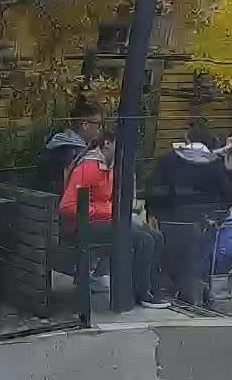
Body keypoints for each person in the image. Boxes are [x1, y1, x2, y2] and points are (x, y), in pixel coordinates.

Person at [62, 130, 170, 307]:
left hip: (102, 221)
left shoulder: (108, 167)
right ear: (107, 144)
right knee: (143, 239)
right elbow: (67, 206)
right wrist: (106, 210)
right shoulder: (89, 167)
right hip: (81, 225)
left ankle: (152, 289)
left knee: (155, 235)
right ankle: (141, 292)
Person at [148, 127, 232, 304]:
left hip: (170, 220)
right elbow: (229, 194)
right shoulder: (216, 164)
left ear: (187, 140)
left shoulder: (168, 159)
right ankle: (194, 291)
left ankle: (169, 287)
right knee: (197, 256)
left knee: (168, 253)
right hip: (203, 222)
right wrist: (218, 214)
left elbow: (154, 189)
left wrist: (153, 213)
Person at [38, 107, 100, 193]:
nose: (100, 129)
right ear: (85, 125)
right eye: (98, 124)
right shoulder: (76, 153)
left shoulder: (55, 143)